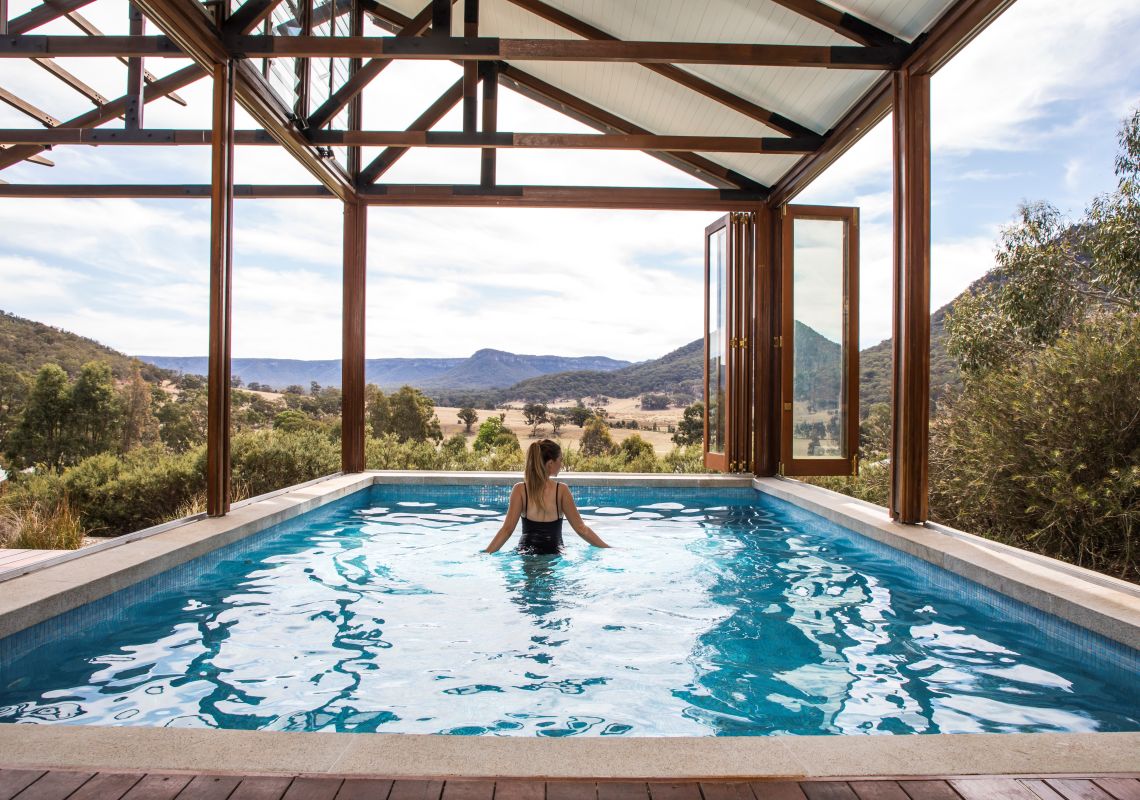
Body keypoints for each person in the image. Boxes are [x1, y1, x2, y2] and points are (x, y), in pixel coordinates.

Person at [483, 439, 611, 554]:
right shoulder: (561, 490)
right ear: (550, 463)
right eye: (560, 459)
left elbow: (507, 529)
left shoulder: (520, 490)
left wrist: (486, 553)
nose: (561, 463)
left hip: (526, 553)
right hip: (554, 552)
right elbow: (581, 529)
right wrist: (608, 548)